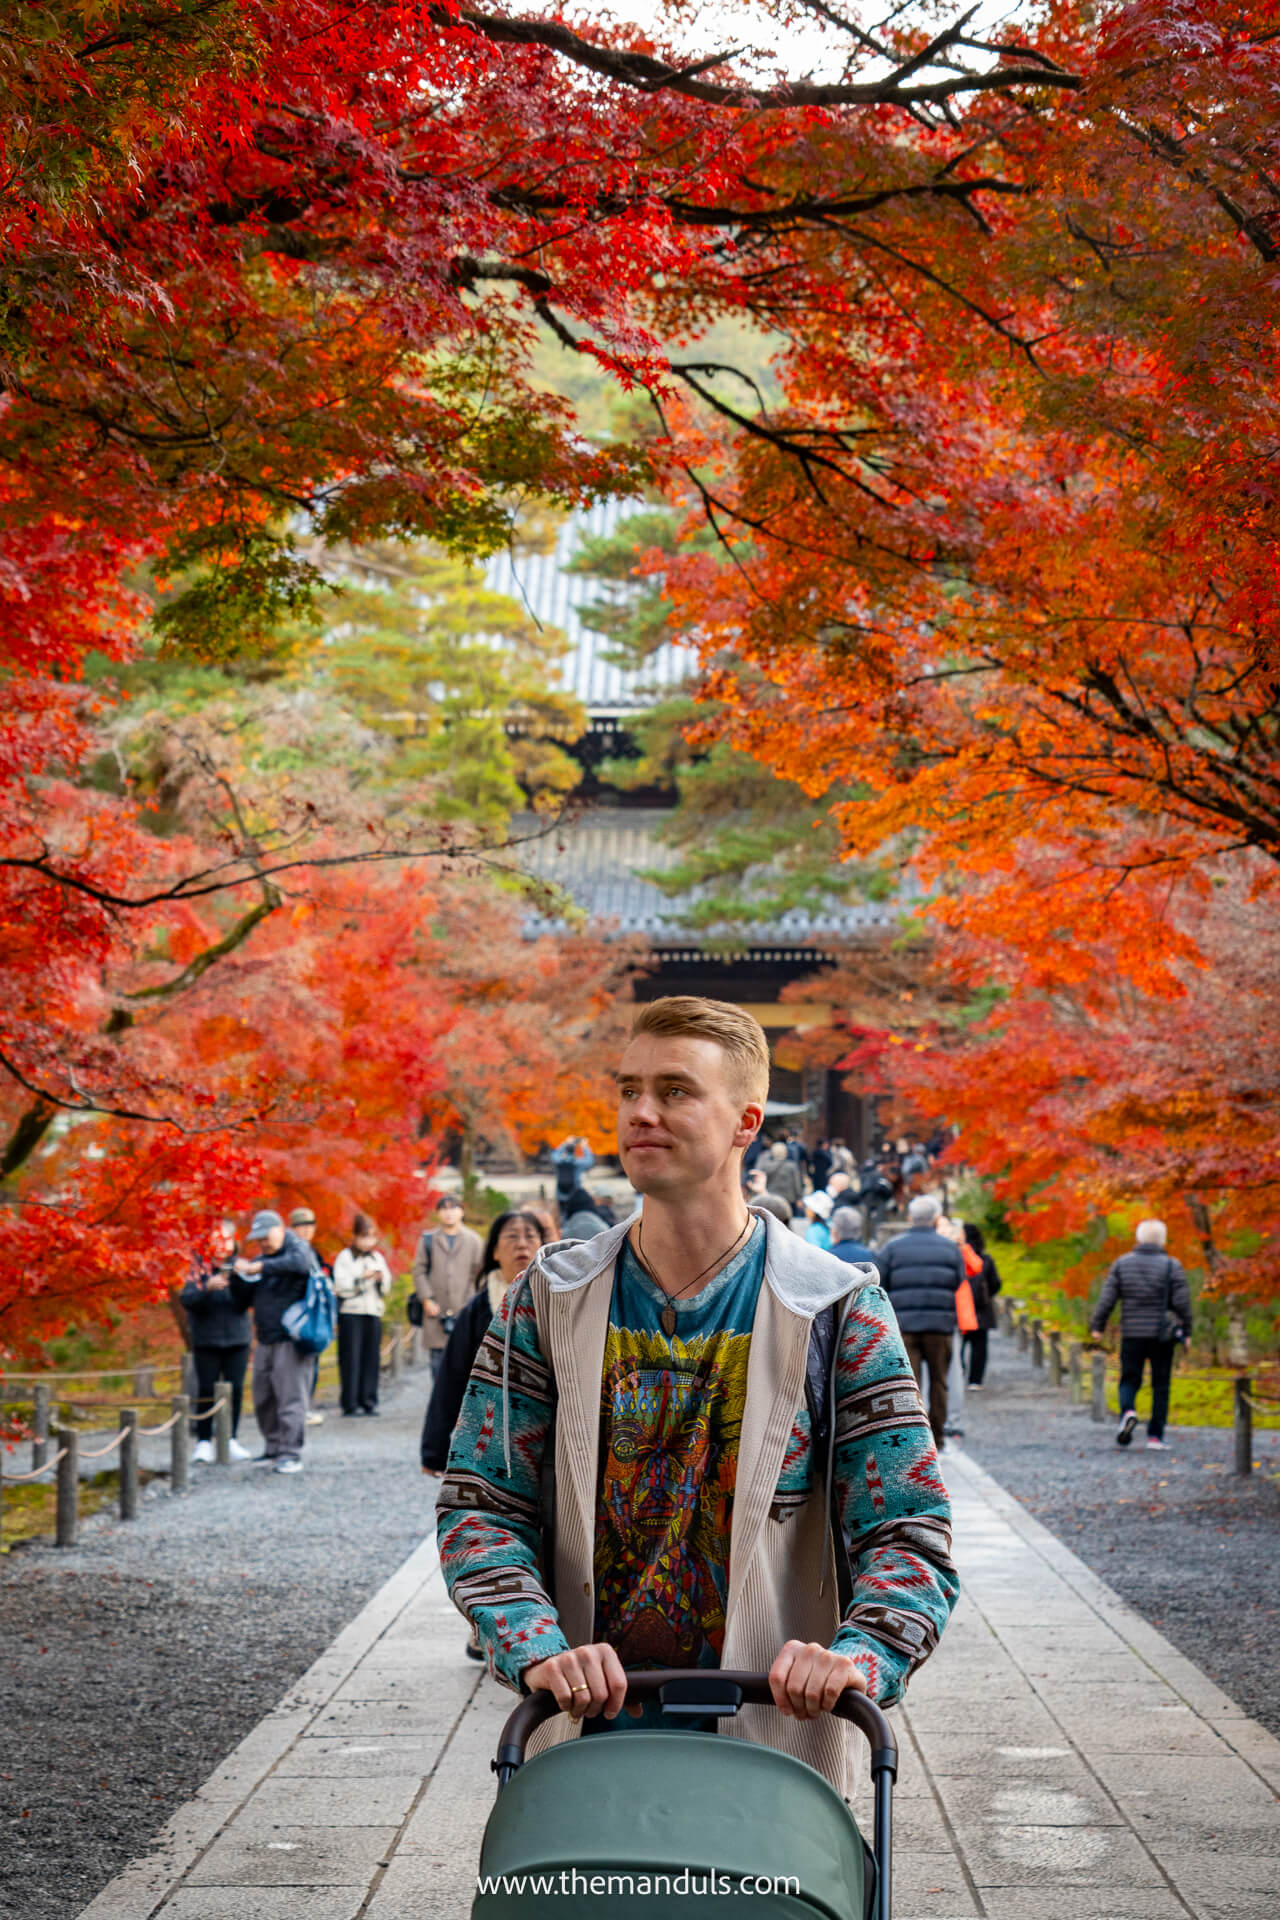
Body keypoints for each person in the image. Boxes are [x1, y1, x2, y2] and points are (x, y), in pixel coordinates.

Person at [437, 995, 957, 1796]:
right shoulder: (546, 1299)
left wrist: (858, 1655)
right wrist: (534, 1643)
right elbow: (481, 1504)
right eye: (629, 1089)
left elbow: (908, 1532)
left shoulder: (837, 1307)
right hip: (584, 1741)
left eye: (676, 1090)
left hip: (775, 1743)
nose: (641, 1112)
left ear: (748, 1122)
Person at [422, 1210, 548, 1662]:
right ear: (492, 1248)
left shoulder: (563, 1301)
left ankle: (534, 1624)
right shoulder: (481, 1307)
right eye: (510, 1235)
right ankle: (487, 1625)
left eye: (530, 1234)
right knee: (487, 1532)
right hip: (486, 1441)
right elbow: (452, 1379)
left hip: (543, 1444)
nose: (521, 1243)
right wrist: (436, 1446)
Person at [1090, 1219, 1192, 1450]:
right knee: (1161, 1384)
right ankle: (1155, 1436)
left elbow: (1108, 1298)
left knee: (1129, 1378)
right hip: (1162, 1335)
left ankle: (1128, 1412)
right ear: (1162, 1240)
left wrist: (1098, 1325)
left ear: (1138, 1238)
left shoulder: (1122, 1264)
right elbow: (1182, 1303)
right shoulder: (1171, 1265)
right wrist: (1187, 1331)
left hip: (1132, 1332)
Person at [874, 1194, 965, 1449]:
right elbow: (958, 1281)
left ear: (910, 1218)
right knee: (939, 1381)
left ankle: (913, 1440)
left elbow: (881, 1282)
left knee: (908, 1383)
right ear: (936, 1219)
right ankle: (937, 1436)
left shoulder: (893, 1246)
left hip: (904, 1325)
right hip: (940, 1325)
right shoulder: (949, 1248)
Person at [232, 1210, 314, 1473]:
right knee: (263, 1397)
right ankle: (273, 1447)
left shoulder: (297, 1249)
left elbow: (301, 1264)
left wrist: (261, 1267)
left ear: (279, 1229)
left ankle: (291, 1453)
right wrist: (235, 1277)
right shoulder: (261, 1260)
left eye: (265, 1237)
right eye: (258, 1240)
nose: (263, 1244)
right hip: (265, 1338)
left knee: (291, 1398)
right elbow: (242, 1301)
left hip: (291, 1340)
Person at [180, 1220, 252, 1462]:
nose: (221, 1245)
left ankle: (231, 1438)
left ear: (233, 1241)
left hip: (238, 1338)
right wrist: (206, 1288)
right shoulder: (197, 1268)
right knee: (206, 1389)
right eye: (215, 1240)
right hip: (206, 1338)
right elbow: (187, 1299)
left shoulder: (242, 1266)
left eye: (226, 1239)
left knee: (236, 1390)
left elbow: (249, 1300)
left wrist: (239, 1277)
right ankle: (203, 1441)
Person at [413, 1194, 485, 1384]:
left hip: (465, 1310)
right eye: (444, 1208)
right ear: (438, 1213)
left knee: (466, 1362)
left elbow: (479, 1276)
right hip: (436, 1310)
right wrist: (427, 1300)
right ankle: (440, 1409)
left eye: (453, 1208)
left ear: (462, 1211)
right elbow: (419, 1271)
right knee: (437, 1364)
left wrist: (470, 1303)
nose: (449, 1213)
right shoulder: (428, 1239)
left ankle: (462, 1411)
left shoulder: (474, 1240)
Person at [333, 1212, 393, 1417]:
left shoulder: (377, 1257)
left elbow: (387, 1285)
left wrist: (379, 1279)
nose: (368, 1241)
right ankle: (350, 1403)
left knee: (371, 1358)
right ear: (356, 1236)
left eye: (372, 1237)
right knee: (351, 1357)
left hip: (373, 1312)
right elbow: (341, 1286)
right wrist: (361, 1278)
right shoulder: (345, 1257)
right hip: (351, 1312)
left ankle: (369, 1400)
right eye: (364, 1236)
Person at [289, 1206, 329, 1427]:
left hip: (314, 1316)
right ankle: (297, 1410)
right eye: (300, 1226)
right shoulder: (291, 1252)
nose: (305, 1230)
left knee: (311, 1364)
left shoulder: (313, 1253)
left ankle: (305, 1406)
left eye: (309, 1225)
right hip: (299, 1317)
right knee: (297, 1366)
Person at [961, 1222, 1002, 1389]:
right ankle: (975, 1380)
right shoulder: (986, 1260)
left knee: (958, 1347)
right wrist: (986, 1296)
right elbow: (995, 1283)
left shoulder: (956, 1257)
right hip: (982, 1310)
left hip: (961, 1310)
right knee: (980, 1348)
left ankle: (959, 1373)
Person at [551, 1135, 595, 1210]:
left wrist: (565, 1144)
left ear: (566, 1150)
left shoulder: (559, 1161)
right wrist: (585, 1147)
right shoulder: (577, 1162)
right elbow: (590, 1161)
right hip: (574, 1194)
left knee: (562, 1215)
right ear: (574, 1151)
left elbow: (554, 1155)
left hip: (560, 1194)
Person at [764, 1139, 804, 1209]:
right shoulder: (792, 1166)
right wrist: (799, 1198)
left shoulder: (766, 1166)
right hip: (788, 1199)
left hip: (771, 1198)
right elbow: (797, 1183)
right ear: (785, 1153)